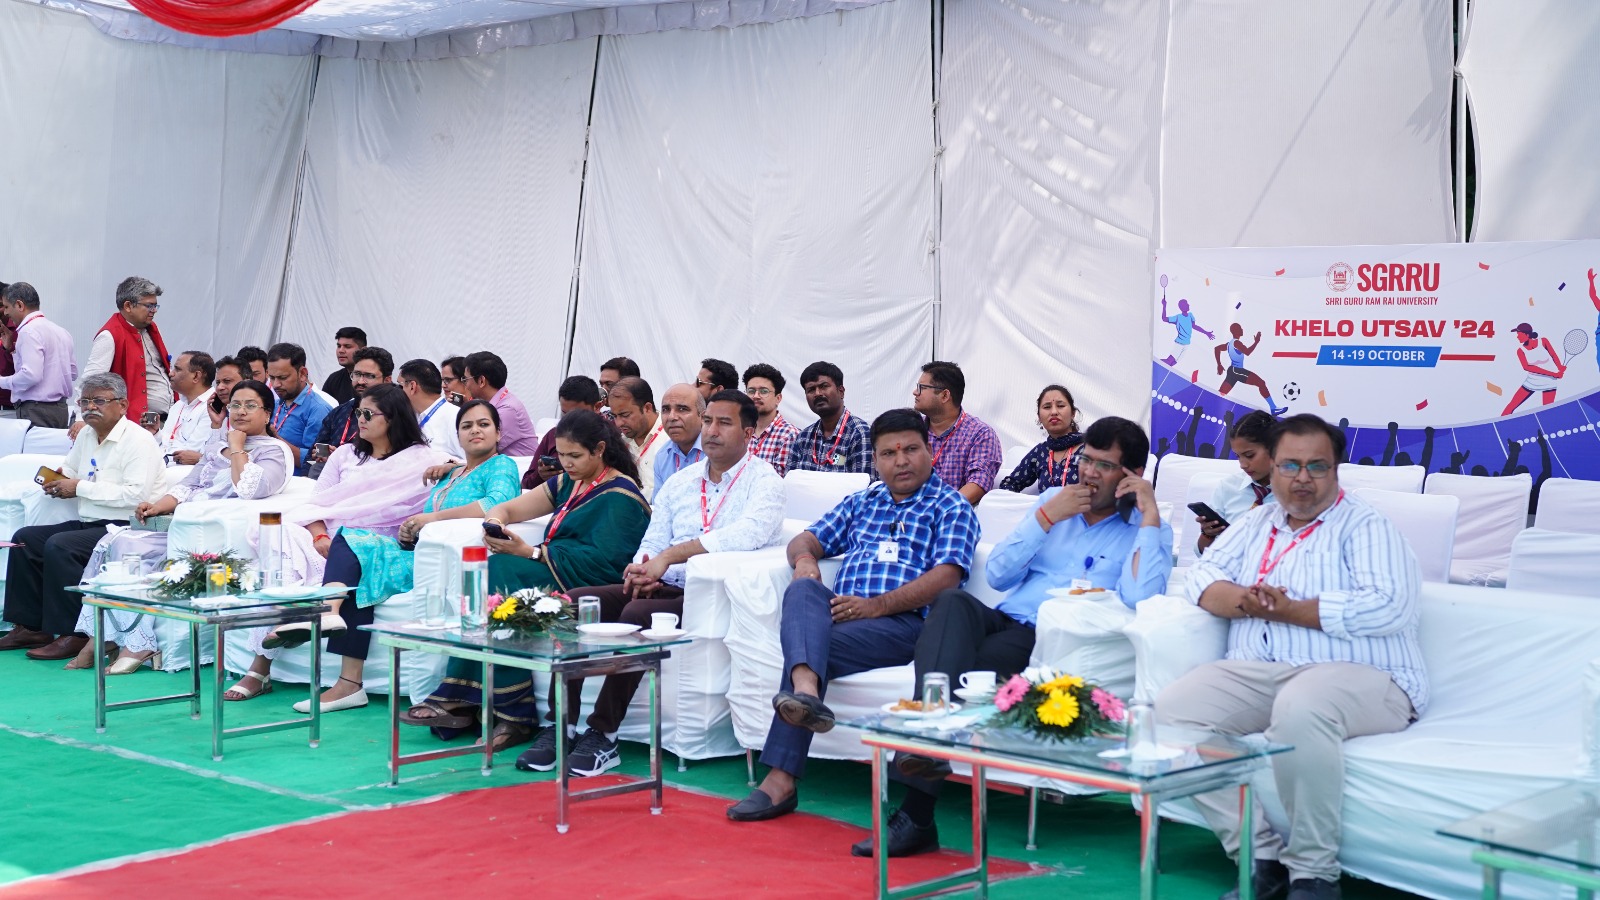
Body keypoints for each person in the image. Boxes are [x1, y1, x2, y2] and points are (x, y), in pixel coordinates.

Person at [875, 416, 1172, 857]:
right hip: (1003, 617)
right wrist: (1046, 518)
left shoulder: (1146, 528)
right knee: (952, 603)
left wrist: (1148, 516)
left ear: (1133, 475)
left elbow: (1142, 597)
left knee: (955, 669)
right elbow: (998, 575)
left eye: (1105, 466)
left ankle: (916, 808)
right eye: (1085, 460)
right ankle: (927, 751)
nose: (1089, 473)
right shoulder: (1053, 501)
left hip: (1044, 638)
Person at [1158, 414, 1424, 900]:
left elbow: (1390, 606)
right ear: (1273, 468)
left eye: (1316, 466)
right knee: (1171, 713)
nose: (1302, 478)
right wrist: (1244, 601)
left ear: (1336, 469)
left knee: (1301, 707)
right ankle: (1258, 859)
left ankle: (1313, 874)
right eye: (1290, 466)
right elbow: (1202, 575)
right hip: (1262, 671)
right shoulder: (1256, 522)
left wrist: (1290, 611)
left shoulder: (1365, 526)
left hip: (1366, 676)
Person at [728, 408, 979, 824]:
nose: (901, 461)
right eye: (889, 453)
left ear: (929, 451)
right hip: (842, 616)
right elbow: (806, 539)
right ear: (875, 459)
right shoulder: (863, 501)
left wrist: (876, 606)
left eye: (911, 449)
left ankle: (780, 780)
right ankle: (806, 691)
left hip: (903, 625)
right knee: (803, 588)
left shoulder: (951, 506)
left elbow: (947, 577)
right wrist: (805, 560)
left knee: (808, 647)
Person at [522, 391, 786, 777]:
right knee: (576, 602)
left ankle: (604, 733)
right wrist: (643, 568)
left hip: (707, 595)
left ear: (749, 432)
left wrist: (669, 559)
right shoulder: (682, 481)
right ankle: (560, 725)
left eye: (724, 423)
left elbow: (745, 535)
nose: (711, 431)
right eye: (708, 421)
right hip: (663, 583)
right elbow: (654, 538)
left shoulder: (765, 481)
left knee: (638, 612)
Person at [406, 409, 651, 751]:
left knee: (501, 575)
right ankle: (493, 708)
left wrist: (531, 552)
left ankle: (484, 704)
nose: (566, 463)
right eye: (561, 455)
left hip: (582, 582)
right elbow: (509, 508)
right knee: (496, 571)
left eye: (575, 455)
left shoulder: (621, 493)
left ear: (599, 449)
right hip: (553, 564)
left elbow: (607, 564)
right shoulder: (569, 481)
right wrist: (495, 523)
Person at [236, 385, 447, 712]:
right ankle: (269, 658)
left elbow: (461, 472)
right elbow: (316, 505)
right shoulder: (346, 454)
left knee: (353, 544)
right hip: (329, 541)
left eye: (368, 414)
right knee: (278, 535)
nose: (360, 419)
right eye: (358, 412)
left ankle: (318, 631)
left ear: (393, 418)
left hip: (385, 546)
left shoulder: (425, 459)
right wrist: (320, 536)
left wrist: (451, 468)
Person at [66, 380, 293, 674]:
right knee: (122, 543)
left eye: (250, 406)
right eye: (235, 405)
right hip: (185, 524)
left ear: (267, 414)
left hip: (216, 533)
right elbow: (189, 485)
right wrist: (158, 505)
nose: (240, 412)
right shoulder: (217, 447)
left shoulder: (274, 451)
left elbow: (251, 490)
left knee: (132, 546)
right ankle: (109, 636)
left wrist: (237, 448)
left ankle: (135, 643)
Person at [0, 374, 164, 660]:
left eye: (99, 400)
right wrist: (58, 480)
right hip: (92, 523)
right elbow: (71, 470)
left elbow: (135, 496)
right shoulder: (87, 435)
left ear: (123, 405)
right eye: (85, 401)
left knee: (61, 544)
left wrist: (78, 487)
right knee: (26, 539)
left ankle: (73, 634)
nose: (90, 407)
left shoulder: (139, 440)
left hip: (127, 527)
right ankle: (30, 627)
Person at [77, 276, 173, 430]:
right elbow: (91, 379)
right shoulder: (109, 335)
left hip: (165, 420)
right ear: (128, 306)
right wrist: (80, 418)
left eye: (155, 305)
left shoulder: (151, 329)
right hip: (137, 424)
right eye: (149, 305)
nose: (154, 310)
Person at [911, 361, 1002, 506]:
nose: (915, 392)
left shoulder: (980, 434)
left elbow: (978, 483)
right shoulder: (911, 429)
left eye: (922, 387)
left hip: (951, 514)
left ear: (944, 395)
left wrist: (940, 508)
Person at [1195, 410, 1277, 556]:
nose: (1242, 465)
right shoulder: (1227, 488)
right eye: (1238, 456)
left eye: (1249, 455)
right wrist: (1208, 534)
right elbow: (1202, 554)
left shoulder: (1296, 492)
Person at [0, 282, 76, 428]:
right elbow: (72, 373)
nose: (6, 313)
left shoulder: (28, 332)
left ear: (19, 305)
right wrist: (13, 350)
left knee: (31, 444)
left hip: (35, 411)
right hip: (60, 409)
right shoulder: (61, 331)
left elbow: (30, 375)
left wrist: (2, 381)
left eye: (7, 307)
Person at [309, 346, 394, 477]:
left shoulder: (395, 414)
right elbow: (312, 454)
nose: (360, 381)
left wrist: (342, 458)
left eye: (369, 376)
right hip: (328, 478)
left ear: (387, 380)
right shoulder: (339, 412)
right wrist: (323, 455)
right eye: (357, 374)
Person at [786, 361, 875, 478]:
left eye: (824, 386)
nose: (817, 393)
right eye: (811, 389)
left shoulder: (861, 434)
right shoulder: (803, 438)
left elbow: (864, 485)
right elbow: (789, 482)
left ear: (841, 391)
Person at [998, 384, 1084, 493]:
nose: (1054, 412)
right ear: (1039, 417)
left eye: (1060, 406)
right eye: (1047, 407)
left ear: (1073, 413)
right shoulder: (1040, 452)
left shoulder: (1091, 449)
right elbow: (1008, 484)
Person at [265, 343, 333, 476]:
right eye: (272, 378)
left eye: (283, 378)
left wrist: (275, 440)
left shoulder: (319, 410)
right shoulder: (275, 404)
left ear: (302, 374)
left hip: (298, 484)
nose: (275, 384)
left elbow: (317, 461)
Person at [523, 376, 604, 488]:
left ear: (597, 407)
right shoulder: (553, 435)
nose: (567, 463)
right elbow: (526, 484)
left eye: (575, 455)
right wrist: (540, 475)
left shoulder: (609, 436)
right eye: (564, 413)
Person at [463, 351, 539, 457]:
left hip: (519, 466)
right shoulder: (497, 403)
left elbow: (480, 449)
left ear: (481, 381)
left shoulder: (507, 409)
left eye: (466, 380)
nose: (465, 386)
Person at [608, 377, 665, 498]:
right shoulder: (619, 442)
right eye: (614, 416)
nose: (618, 423)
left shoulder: (671, 439)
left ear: (647, 408)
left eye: (625, 415)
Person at [1215, 324, 1287, 416]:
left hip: (1232, 371)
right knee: (1261, 383)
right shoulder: (1237, 343)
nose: (1242, 329)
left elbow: (1217, 348)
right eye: (1240, 328)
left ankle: (1211, 407)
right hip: (1237, 371)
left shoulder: (1229, 344)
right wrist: (1256, 342)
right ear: (1236, 331)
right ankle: (1273, 408)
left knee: (1221, 393)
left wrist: (1219, 364)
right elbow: (1247, 352)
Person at [399, 358, 464, 459]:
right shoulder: (412, 417)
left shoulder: (454, 417)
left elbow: (474, 461)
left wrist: (448, 465)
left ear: (412, 386)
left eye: (400, 386)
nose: (397, 392)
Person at [159, 351, 216, 464]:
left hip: (186, 468)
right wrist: (155, 433)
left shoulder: (214, 405)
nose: (171, 373)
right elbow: (164, 444)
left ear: (196, 376)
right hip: (166, 464)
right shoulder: (178, 405)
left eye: (177, 369)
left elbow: (191, 452)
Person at [744, 363, 800, 476]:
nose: (756, 396)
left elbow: (783, 482)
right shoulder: (741, 430)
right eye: (751, 391)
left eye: (763, 391)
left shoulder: (789, 435)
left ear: (778, 398)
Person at [652, 383, 705, 500]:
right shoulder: (662, 457)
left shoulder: (719, 452)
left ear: (703, 417)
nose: (671, 417)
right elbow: (659, 506)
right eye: (665, 410)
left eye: (682, 409)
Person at [1501, 322, 1566, 416]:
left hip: (1549, 381)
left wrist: (1560, 367)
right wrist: (1554, 374)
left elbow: (1553, 355)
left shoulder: (1543, 341)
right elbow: (1527, 367)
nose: (1517, 337)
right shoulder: (1520, 351)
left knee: (1547, 411)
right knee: (1511, 405)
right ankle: (1499, 423)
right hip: (1532, 380)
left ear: (1527, 335)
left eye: (1519, 334)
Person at [1161, 294, 1216, 368]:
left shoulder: (1190, 315)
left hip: (1186, 344)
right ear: (1182, 307)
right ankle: (1153, 363)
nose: (1188, 305)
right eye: (1186, 304)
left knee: (1173, 363)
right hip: (1179, 344)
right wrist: (1164, 306)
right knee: (1169, 361)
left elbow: (1194, 326)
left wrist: (1206, 333)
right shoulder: (1178, 317)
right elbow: (1164, 319)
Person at [203, 356, 248, 441]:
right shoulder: (222, 415)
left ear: (246, 382)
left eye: (227, 381)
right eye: (218, 382)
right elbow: (211, 448)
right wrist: (216, 424)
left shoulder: (254, 414)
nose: (219, 387)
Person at [321, 326, 367, 406]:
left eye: (347, 346)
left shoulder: (374, 378)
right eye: (339, 346)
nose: (341, 351)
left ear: (363, 350)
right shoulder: (334, 379)